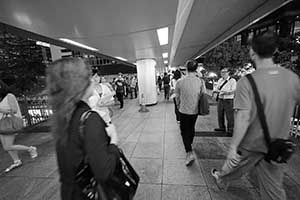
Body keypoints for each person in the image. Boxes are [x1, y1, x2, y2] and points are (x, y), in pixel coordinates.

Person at [211, 31, 300, 200]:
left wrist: (232, 147)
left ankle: (222, 178)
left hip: (250, 144)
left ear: (252, 52)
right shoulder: (292, 79)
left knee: (235, 165)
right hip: (276, 146)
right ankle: (222, 177)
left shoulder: (247, 82)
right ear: (274, 51)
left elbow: (243, 118)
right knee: (273, 190)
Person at [47, 58, 120, 200]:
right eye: (88, 77)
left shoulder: (62, 117)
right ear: (79, 85)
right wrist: (114, 141)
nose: (92, 80)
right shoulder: (89, 119)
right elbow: (104, 171)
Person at [0, 81, 37, 173]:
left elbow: (14, 110)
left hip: (9, 123)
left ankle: (30, 149)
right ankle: (16, 161)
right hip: (1, 123)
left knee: (8, 146)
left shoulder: (9, 96)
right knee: (6, 146)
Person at [175, 60, 204, 166]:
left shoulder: (180, 82)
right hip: (195, 110)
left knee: (184, 131)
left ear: (186, 69)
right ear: (196, 69)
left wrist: (178, 106)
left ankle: (189, 152)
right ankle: (190, 143)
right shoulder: (200, 81)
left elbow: (177, 97)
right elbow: (202, 95)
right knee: (191, 128)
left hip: (183, 110)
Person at [213, 67, 236, 134]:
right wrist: (216, 91)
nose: (222, 73)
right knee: (220, 114)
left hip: (228, 100)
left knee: (229, 116)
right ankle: (221, 128)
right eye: (222, 72)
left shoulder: (232, 80)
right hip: (220, 99)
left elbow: (234, 90)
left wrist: (226, 92)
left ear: (228, 72)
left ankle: (230, 130)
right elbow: (217, 88)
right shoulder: (220, 80)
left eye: (224, 72)